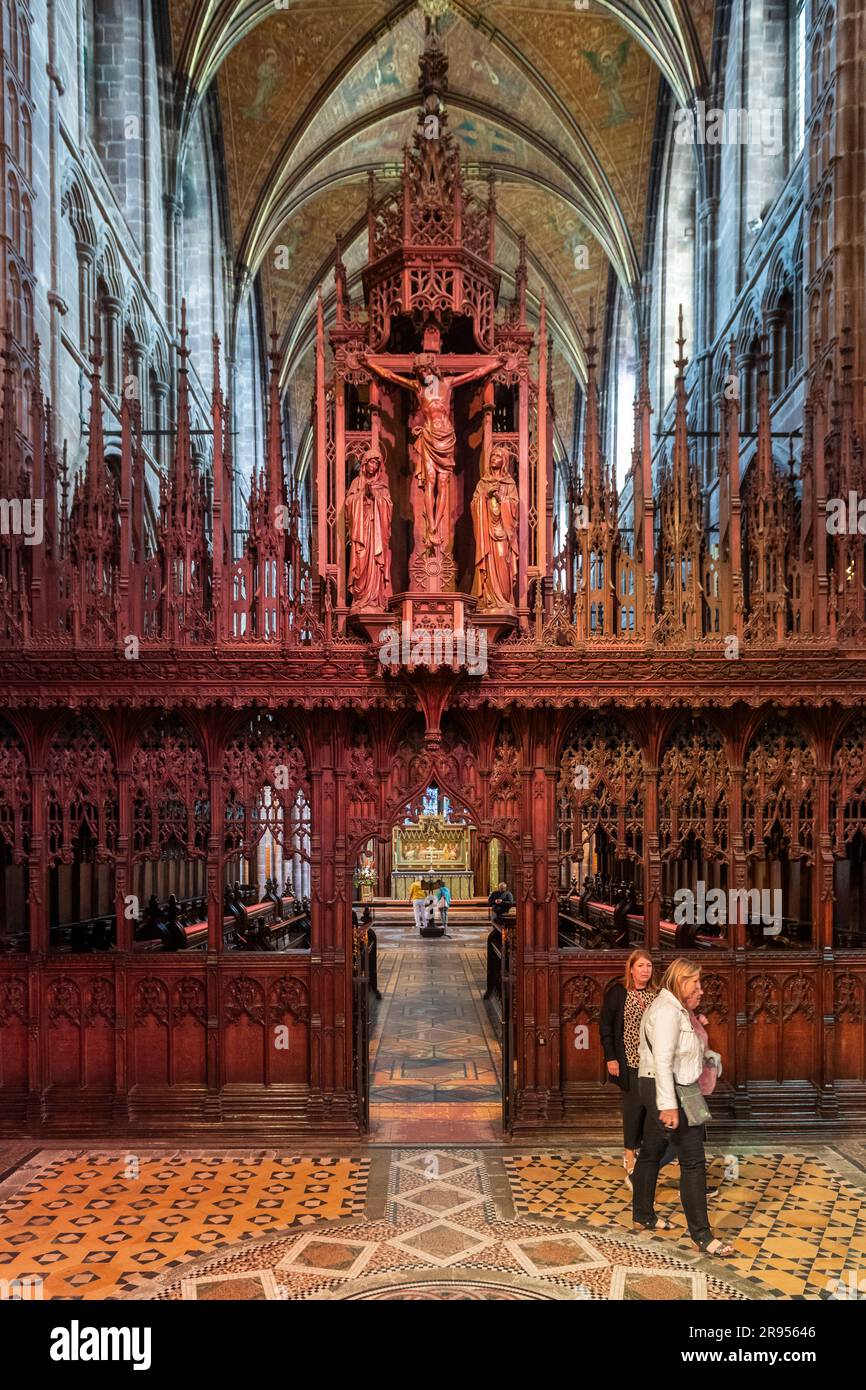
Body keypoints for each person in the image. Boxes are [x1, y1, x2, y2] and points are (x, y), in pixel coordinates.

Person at [631, 958, 735, 1256]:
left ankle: (642, 1215)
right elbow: (663, 1061)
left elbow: (683, 1055)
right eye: (695, 983)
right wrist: (668, 1105)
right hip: (669, 1088)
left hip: (677, 1087)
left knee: (651, 1152)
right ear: (680, 981)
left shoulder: (678, 1010)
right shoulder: (666, 1012)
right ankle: (701, 1235)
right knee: (693, 1162)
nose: (701, 990)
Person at [600, 948, 658, 1189]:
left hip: (652, 1063)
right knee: (633, 1110)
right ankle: (629, 1155)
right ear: (631, 968)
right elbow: (605, 1026)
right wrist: (611, 1058)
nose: (645, 970)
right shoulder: (618, 992)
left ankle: (646, 1155)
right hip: (630, 1061)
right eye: (641, 965)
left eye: (649, 966)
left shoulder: (658, 994)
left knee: (650, 1111)